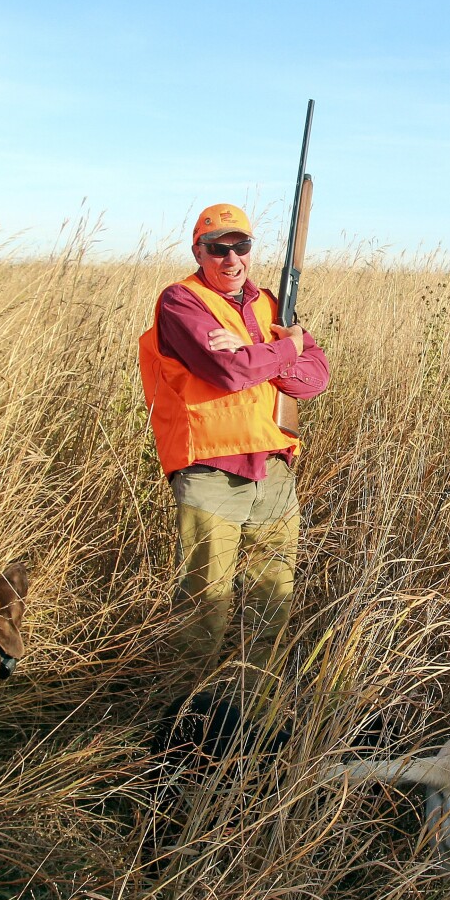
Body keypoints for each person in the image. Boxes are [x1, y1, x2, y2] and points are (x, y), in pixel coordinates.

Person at [138, 204, 329, 672]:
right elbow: (227, 372)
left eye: (240, 246)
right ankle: (181, 728)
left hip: (275, 470)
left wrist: (258, 352)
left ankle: (253, 717)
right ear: (197, 252)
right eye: (217, 249)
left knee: (272, 605)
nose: (231, 259)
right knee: (205, 609)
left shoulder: (272, 304)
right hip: (210, 470)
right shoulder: (180, 301)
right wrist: (288, 347)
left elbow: (315, 379)